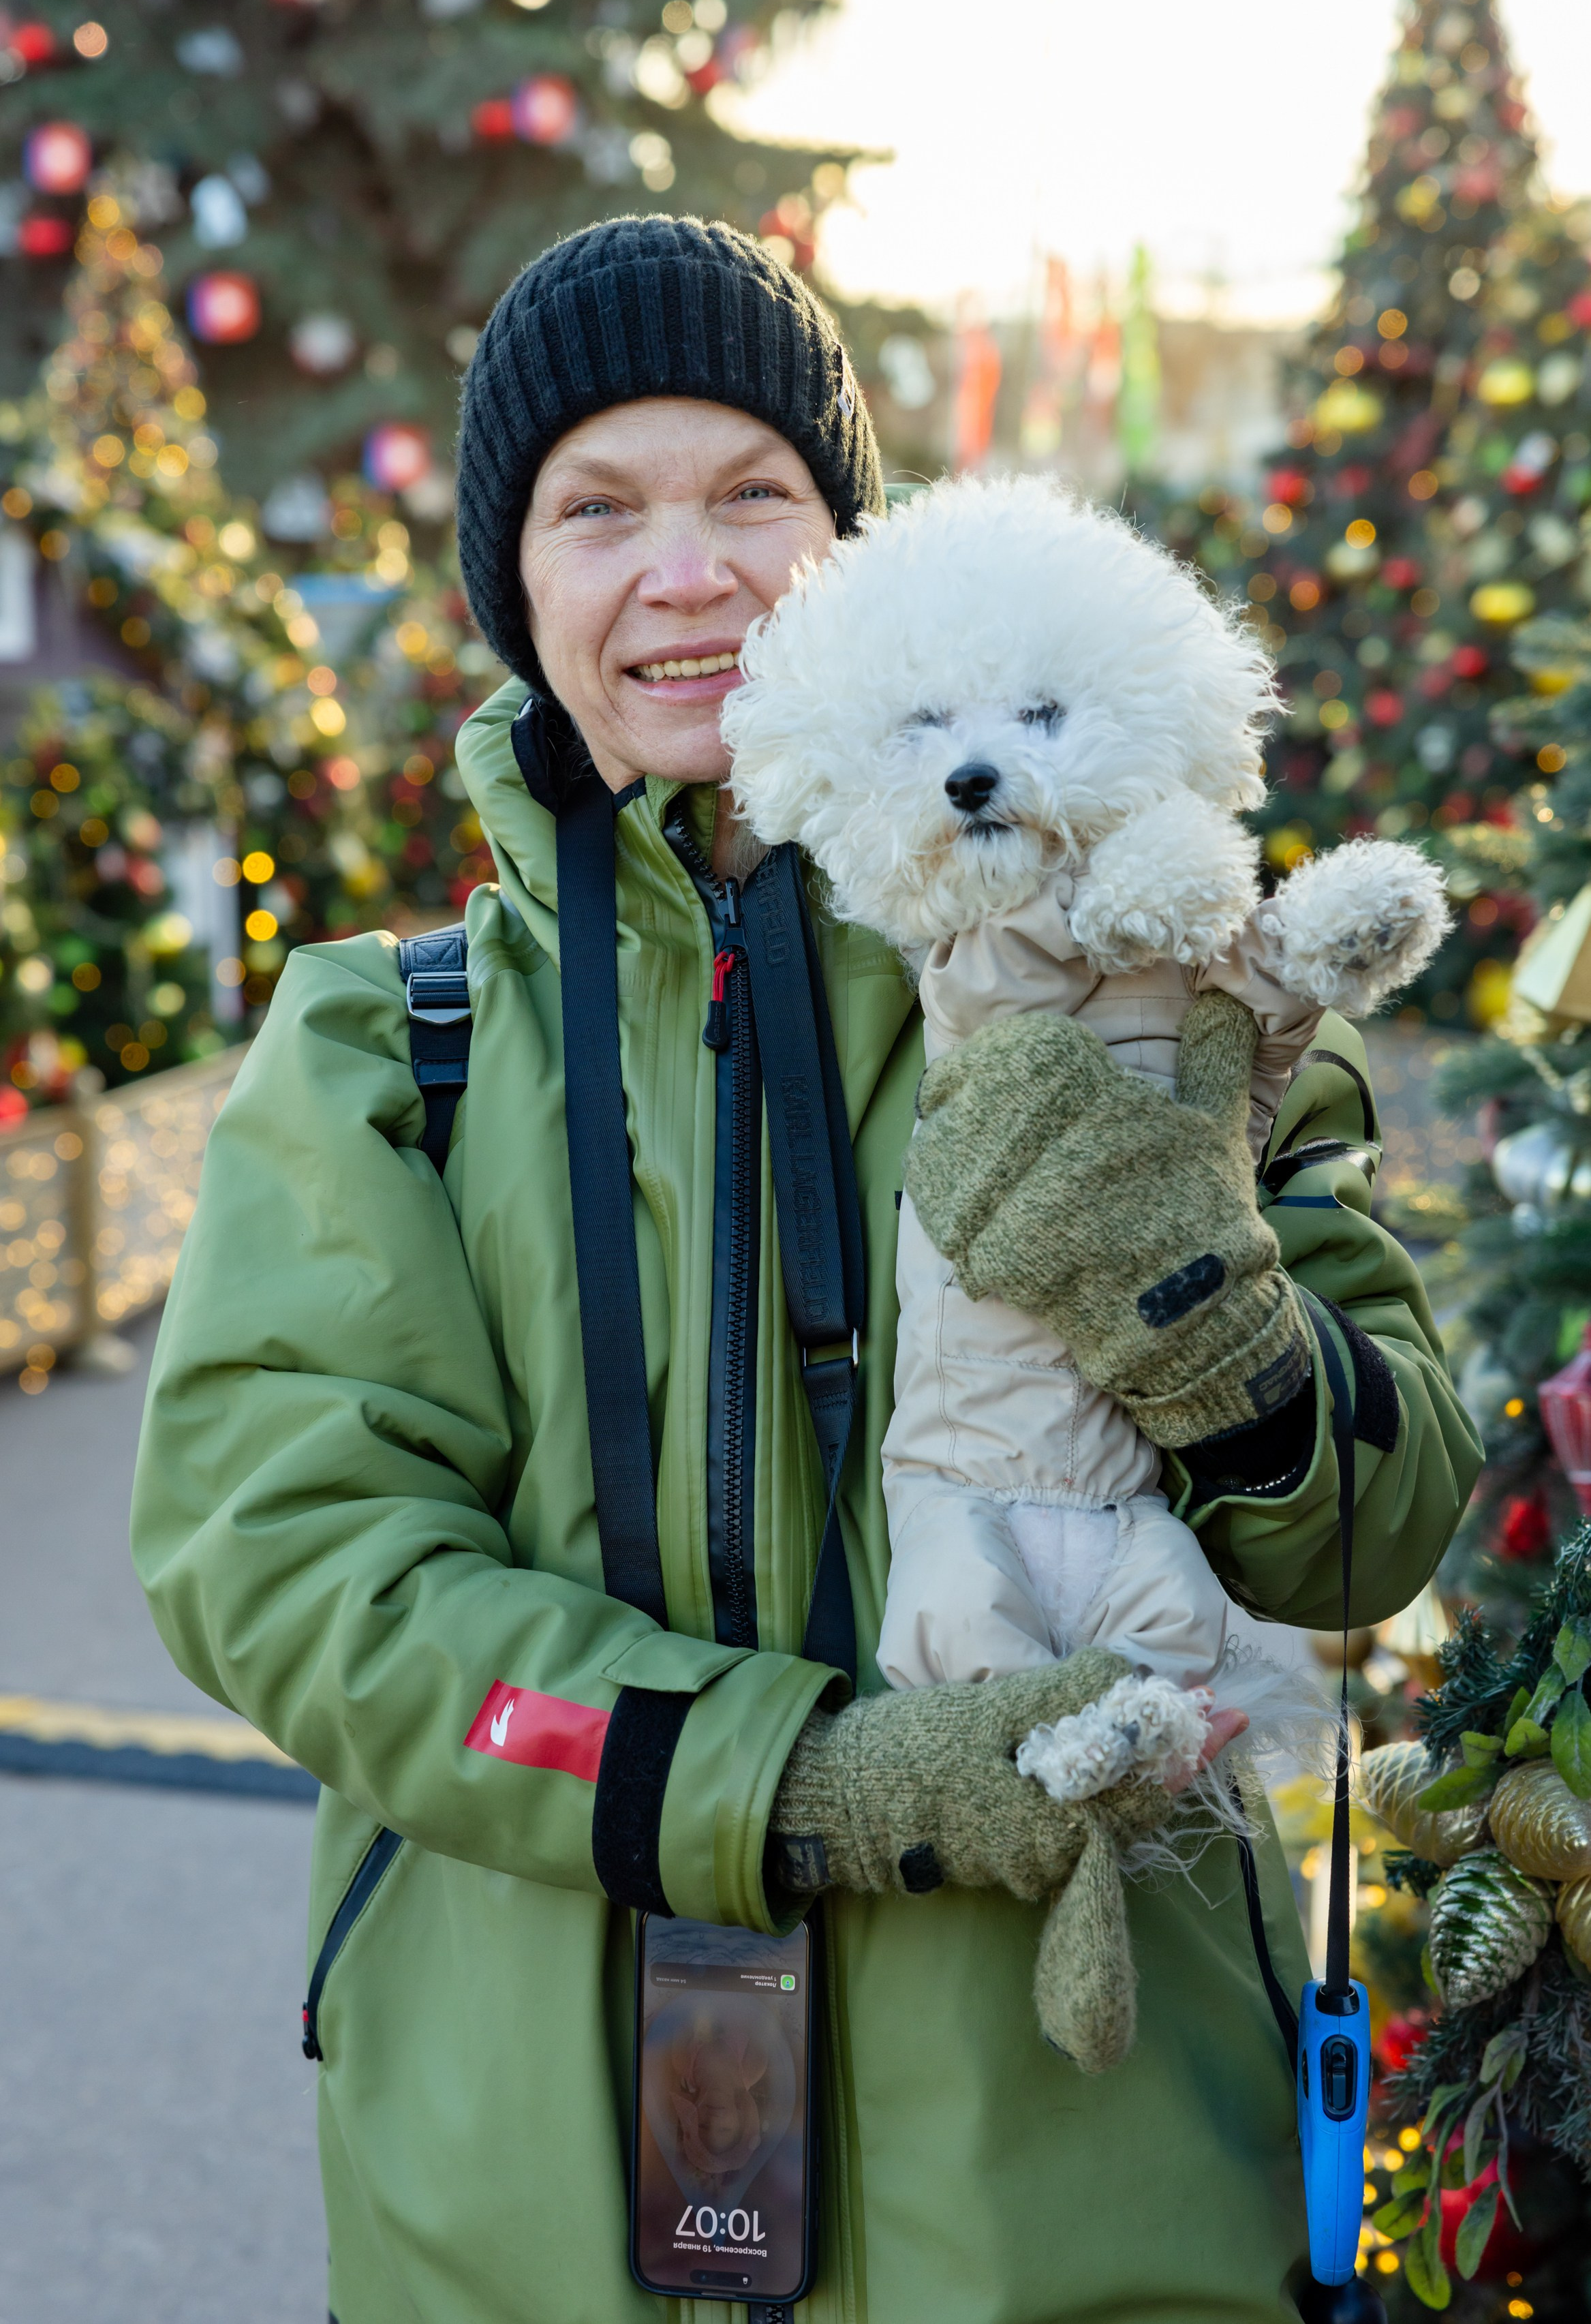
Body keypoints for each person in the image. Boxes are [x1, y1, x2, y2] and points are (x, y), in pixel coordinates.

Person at [132, 216, 1482, 2324]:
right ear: (515, 587)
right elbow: (302, 1568)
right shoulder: (383, 1049)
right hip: (525, 2217)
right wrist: (798, 1780)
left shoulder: (1153, 986)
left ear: (853, 550)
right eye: (600, 510)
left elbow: (1378, 1528)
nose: (687, 575)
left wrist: (1215, 1323)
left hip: (1076, 2201)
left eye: (753, 495)